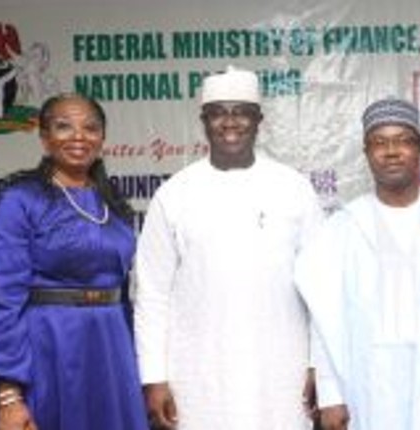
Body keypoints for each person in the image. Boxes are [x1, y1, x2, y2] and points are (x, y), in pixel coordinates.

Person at [134, 66, 324, 429]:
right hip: (198, 375)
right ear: (204, 120)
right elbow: (153, 293)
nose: (230, 122)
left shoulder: (293, 188)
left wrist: (320, 365)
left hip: (282, 372)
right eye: (218, 112)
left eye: (241, 111)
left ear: (258, 119)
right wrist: (154, 377)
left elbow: (322, 288)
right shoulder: (174, 193)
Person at [296, 97, 420, 430]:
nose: (391, 151)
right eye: (379, 142)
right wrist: (330, 394)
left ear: (419, 149)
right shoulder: (339, 231)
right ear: (366, 153)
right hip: (366, 386)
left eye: (402, 141)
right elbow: (323, 320)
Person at [0, 93, 148, 430]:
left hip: (110, 348)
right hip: (49, 348)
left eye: (91, 127)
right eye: (64, 126)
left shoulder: (112, 203)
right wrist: (9, 395)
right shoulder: (22, 199)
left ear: (102, 138)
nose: (78, 136)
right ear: (44, 138)